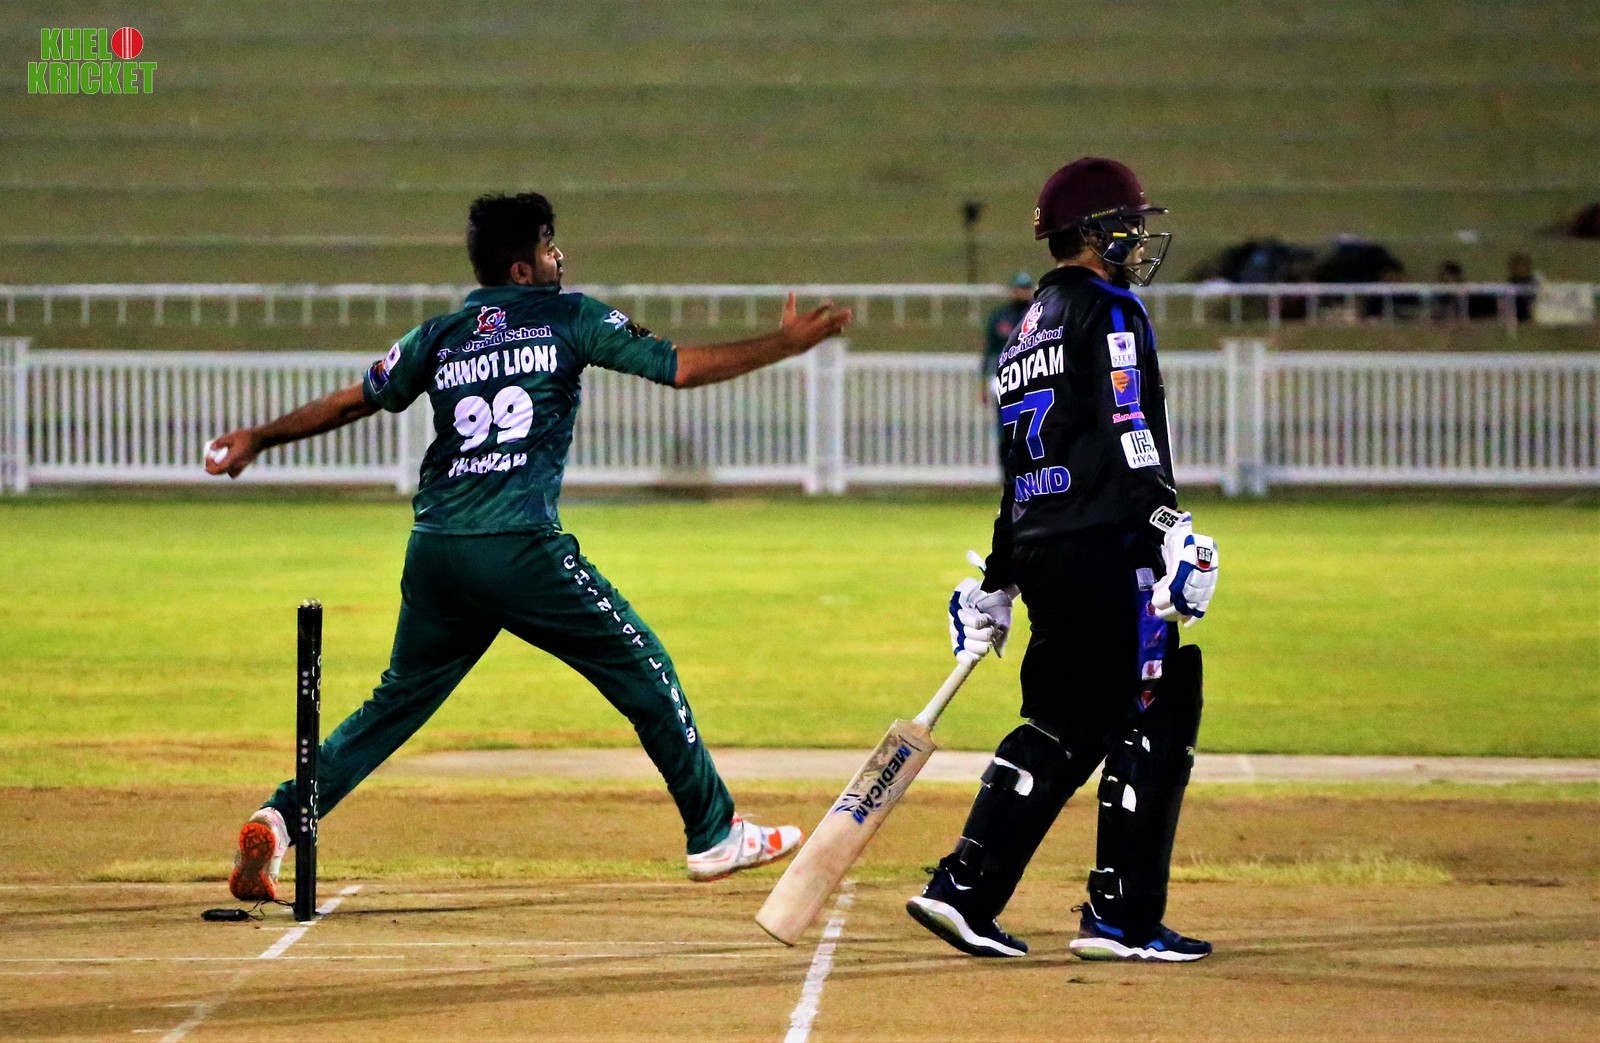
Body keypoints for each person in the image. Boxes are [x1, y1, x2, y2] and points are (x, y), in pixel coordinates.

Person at [206, 192, 852, 902]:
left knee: (396, 703)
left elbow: (354, 399)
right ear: (522, 268)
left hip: (437, 550)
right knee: (643, 666)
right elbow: (680, 367)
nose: (559, 256)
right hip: (517, 545)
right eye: (548, 246)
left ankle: (280, 819)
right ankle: (712, 831)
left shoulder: (439, 335)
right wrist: (784, 344)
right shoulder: (570, 317)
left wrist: (259, 437)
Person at [906, 157, 1219, 962]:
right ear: (1092, 231)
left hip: (1045, 545)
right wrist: (1169, 525)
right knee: (1154, 702)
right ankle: (1122, 918)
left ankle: (966, 889)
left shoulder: (1025, 330)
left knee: (1067, 717)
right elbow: (1128, 423)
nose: (1138, 239)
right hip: (1110, 540)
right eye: (1127, 224)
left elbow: (1019, 466)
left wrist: (999, 576)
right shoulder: (1110, 308)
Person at [981, 272, 1035, 403]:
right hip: (1005, 375)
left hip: (1031, 375)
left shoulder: (1039, 314)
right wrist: (983, 384)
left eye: (1026, 288)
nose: (1022, 292)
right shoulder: (1000, 316)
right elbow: (990, 350)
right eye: (1019, 288)